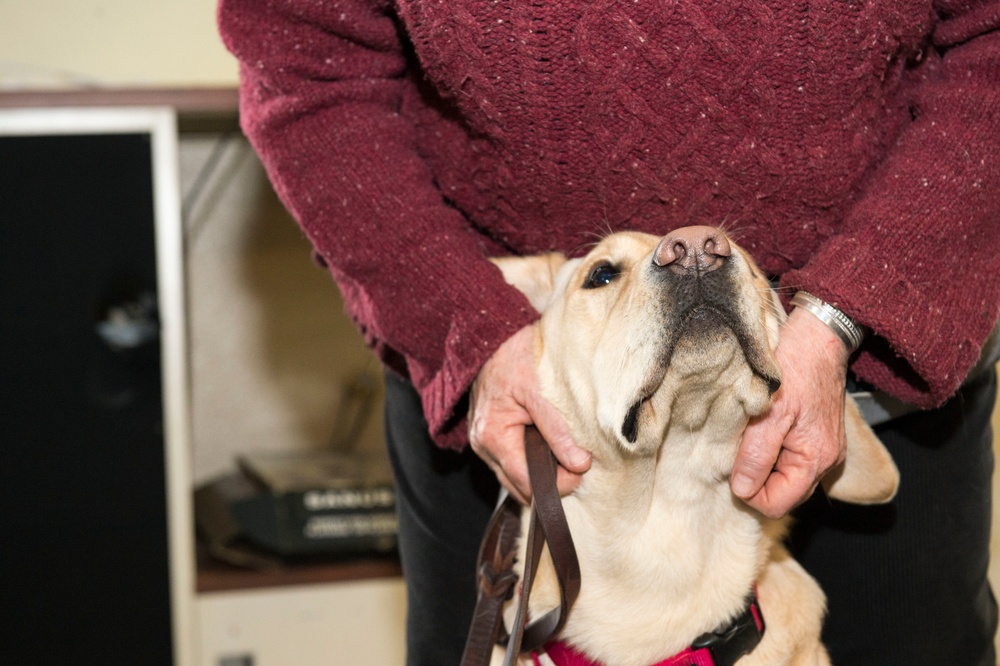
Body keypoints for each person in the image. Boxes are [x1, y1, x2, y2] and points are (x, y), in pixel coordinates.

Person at [217, 1, 1000, 664]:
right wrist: (468, 324)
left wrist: (840, 318)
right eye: (605, 275)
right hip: (500, 373)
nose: (692, 253)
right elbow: (306, 66)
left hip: (873, 349)